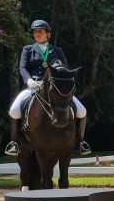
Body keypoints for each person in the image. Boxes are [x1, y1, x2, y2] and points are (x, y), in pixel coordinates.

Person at [5, 19, 91, 156]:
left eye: (40, 31)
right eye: (35, 32)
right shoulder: (28, 49)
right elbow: (23, 67)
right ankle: (14, 142)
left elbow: (65, 69)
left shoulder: (57, 51)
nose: (37, 34)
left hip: (54, 87)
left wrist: (59, 70)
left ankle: (80, 142)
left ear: (48, 34)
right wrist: (28, 80)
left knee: (82, 111)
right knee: (14, 110)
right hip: (33, 85)